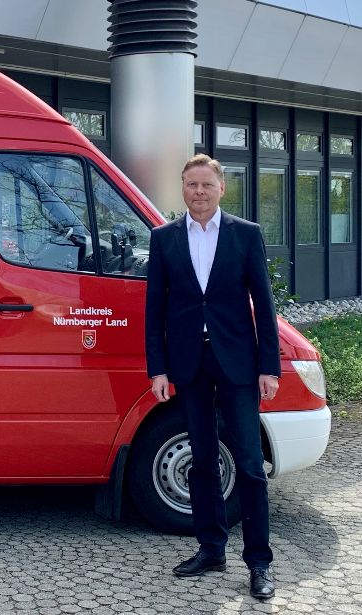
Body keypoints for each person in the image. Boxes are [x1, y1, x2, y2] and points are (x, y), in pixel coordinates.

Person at [145, 154, 281, 600]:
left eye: (206, 185)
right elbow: (155, 312)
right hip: (190, 365)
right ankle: (211, 548)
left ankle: (259, 563)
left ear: (222, 188)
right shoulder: (163, 239)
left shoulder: (246, 235)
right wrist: (159, 369)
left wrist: (269, 367)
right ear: (181, 189)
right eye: (190, 185)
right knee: (201, 459)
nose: (198, 192)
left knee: (247, 465)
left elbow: (264, 304)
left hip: (239, 364)